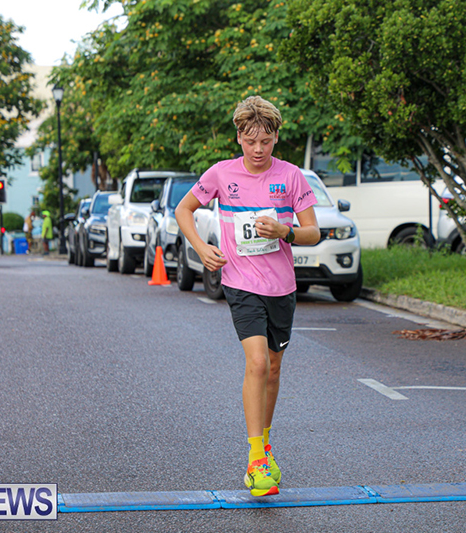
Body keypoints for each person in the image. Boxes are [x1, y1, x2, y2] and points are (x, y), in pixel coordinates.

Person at [175, 95, 320, 497]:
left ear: (276, 138)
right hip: (240, 283)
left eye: (267, 142)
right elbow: (184, 210)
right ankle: (256, 458)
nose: (258, 150)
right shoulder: (221, 174)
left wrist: (285, 231)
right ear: (239, 136)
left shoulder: (291, 177)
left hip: (282, 287)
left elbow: (313, 232)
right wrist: (202, 249)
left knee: (273, 368)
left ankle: (266, 444)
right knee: (256, 363)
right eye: (251, 141)